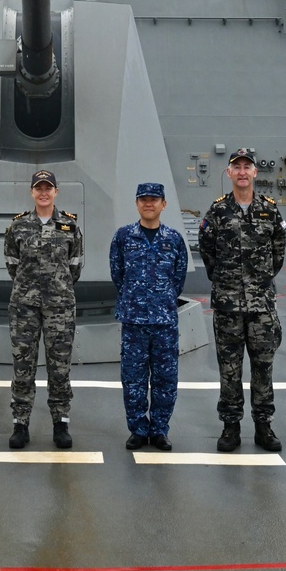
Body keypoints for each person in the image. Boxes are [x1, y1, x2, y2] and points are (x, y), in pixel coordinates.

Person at [197, 147, 286, 454]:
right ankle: (231, 427)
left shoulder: (270, 210)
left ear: (255, 173)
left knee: (263, 368)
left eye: (247, 166)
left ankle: (264, 426)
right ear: (229, 173)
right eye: (237, 167)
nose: (242, 171)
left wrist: (259, 281)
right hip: (227, 305)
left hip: (261, 306)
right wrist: (226, 281)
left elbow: (278, 253)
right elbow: (207, 249)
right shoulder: (217, 211)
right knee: (229, 369)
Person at [4, 169, 83, 450]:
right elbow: (12, 263)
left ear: (56, 192)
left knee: (59, 368)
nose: (44, 192)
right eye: (39, 187)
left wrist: (55, 290)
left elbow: (75, 266)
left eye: (48, 187)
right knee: (23, 366)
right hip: (24, 307)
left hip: (59, 307)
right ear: (32, 192)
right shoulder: (18, 227)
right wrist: (32, 290)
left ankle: (60, 422)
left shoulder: (69, 226)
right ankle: (20, 423)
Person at [109, 182, 188, 451]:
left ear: (164, 204)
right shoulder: (123, 237)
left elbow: (178, 278)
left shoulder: (174, 239)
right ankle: (138, 430)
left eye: (154, 199)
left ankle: (159, 430)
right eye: (143, 199)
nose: (149, 203)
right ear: (137, 203)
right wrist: (137, 299)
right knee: (133, 378)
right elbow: (117, 274)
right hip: (134, 321)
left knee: (165, 379)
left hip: (164, 321)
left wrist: (160, 300)